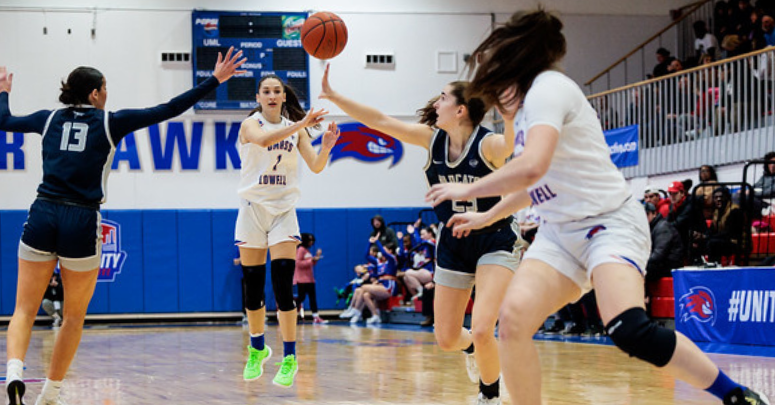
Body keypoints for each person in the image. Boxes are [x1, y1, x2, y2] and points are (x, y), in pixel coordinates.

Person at [425, 9, 769, 405]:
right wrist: (486, 215)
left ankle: (735, 395)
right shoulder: (525, 109)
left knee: (629, 330)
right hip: (560, 235)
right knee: (513, 324)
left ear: (516, 53)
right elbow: (538, 180)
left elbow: (531, 167)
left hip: (608, 225)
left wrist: (463, 190)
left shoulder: (548, 89)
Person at [0, 48, 246, 405]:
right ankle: (50, 394)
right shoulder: (111, 121)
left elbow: (4, 121)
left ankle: (16, 373)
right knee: (73, 316)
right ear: (96, 93)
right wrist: (214, 80)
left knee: (23, 309)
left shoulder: (48, 118)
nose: (107, 93)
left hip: (43, 212)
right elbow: (169, 108)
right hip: (82, 218)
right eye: (105, 87)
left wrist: (3, 92)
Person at [320, 63, 524, 405]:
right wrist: (335, 95)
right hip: (454, 243)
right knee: (446, 338)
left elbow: (510, 147)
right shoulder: (432, 141)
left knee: (483, 325)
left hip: (495, 239)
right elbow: (381, 121)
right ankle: (473, 348)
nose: (436, 103)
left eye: (443, 97)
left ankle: (489, 395)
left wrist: (509, 114)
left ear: (460, 110)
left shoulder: (487, 146)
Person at [235, 74, 340, 388]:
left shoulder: (298, 129)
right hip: (253, 209)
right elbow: (266, 141)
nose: (271, 95)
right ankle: (257, 348)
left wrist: (328, 147)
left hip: (283, 211)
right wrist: (302, 122)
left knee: (283, 286)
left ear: (283, 96)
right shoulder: (250, 124)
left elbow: (317, 166)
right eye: (265, 91)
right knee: (252, 289)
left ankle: (290, 357)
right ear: (258, 97)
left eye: (276, 91)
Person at [294, 233, 327, 324]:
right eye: (310, 240)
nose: (311, 242)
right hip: (302, 280)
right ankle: (292, 315)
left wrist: (315, 257)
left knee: (312, 298)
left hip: (310, 279)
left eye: (312, 240)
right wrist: (311, 260)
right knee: (301, 298)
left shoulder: (307, 251)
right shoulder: (300, 250)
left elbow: (311, 264)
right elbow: (298, 263)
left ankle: (315, 317)